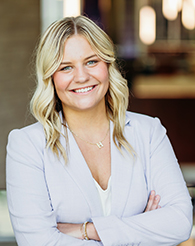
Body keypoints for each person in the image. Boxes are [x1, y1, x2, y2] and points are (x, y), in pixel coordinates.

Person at [6, 15, 192, 246]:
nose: (82, 76)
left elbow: (180, 222)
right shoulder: (26, 145)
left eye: (91, 62)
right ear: (51, 78)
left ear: (108, 65)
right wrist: (142, 228)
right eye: (66, 67)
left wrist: (87, 230)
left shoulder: (149, 132)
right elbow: (38, 242)